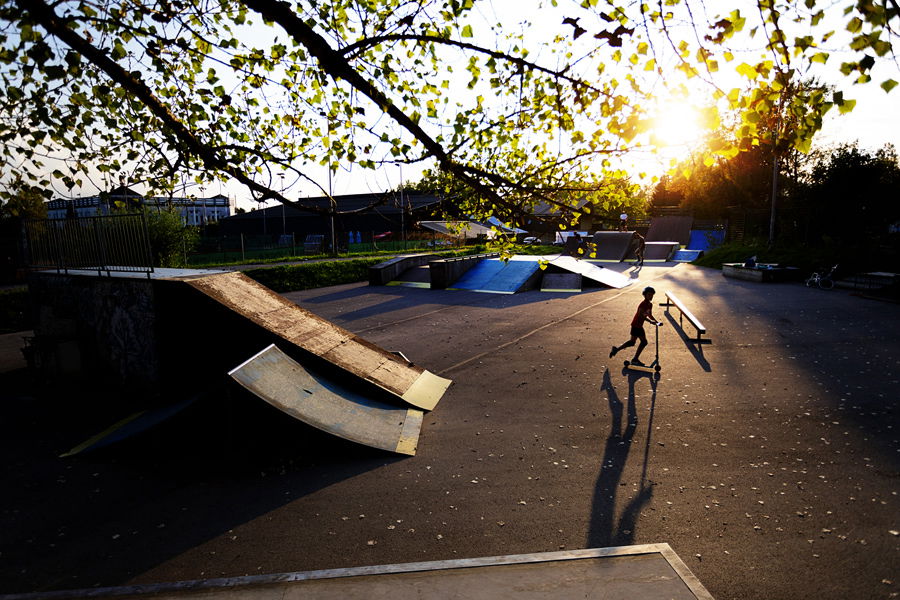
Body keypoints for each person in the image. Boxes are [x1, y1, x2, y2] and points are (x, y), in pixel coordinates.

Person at [610, 286, 662, 364]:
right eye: (649, 295)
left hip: (639, 326)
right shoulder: (643, 304)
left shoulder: (650, 305)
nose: (651, 296)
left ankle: (617, 350)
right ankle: (634, 359)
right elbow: (641, 315)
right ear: (645, 295)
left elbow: (649, 315)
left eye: (652, 295)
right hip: (636, 325)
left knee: (632, 342)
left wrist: (656, 322)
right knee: (642, 342)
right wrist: (651, 322)